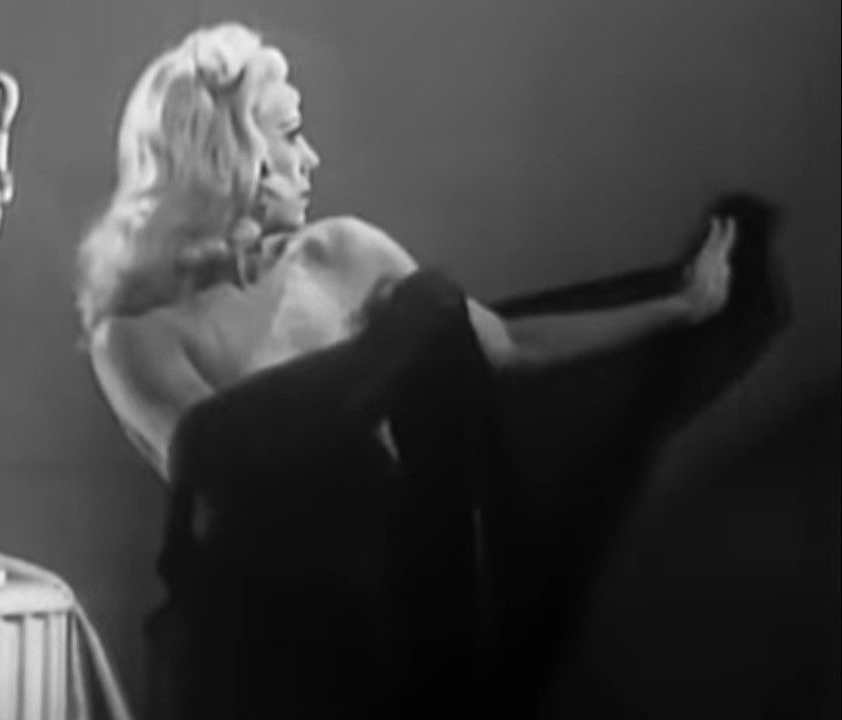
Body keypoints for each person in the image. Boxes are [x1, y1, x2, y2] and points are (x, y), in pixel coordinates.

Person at [75, 22, 741, 719]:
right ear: (238, 158)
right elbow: (224, 471)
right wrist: (387, 351)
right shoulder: (133, 337)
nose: (311, 157)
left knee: (434, 314)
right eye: (291, 133)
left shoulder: (343, 254)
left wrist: (681, 305)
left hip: (391, 634)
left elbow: (507, 343)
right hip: (258, 659)